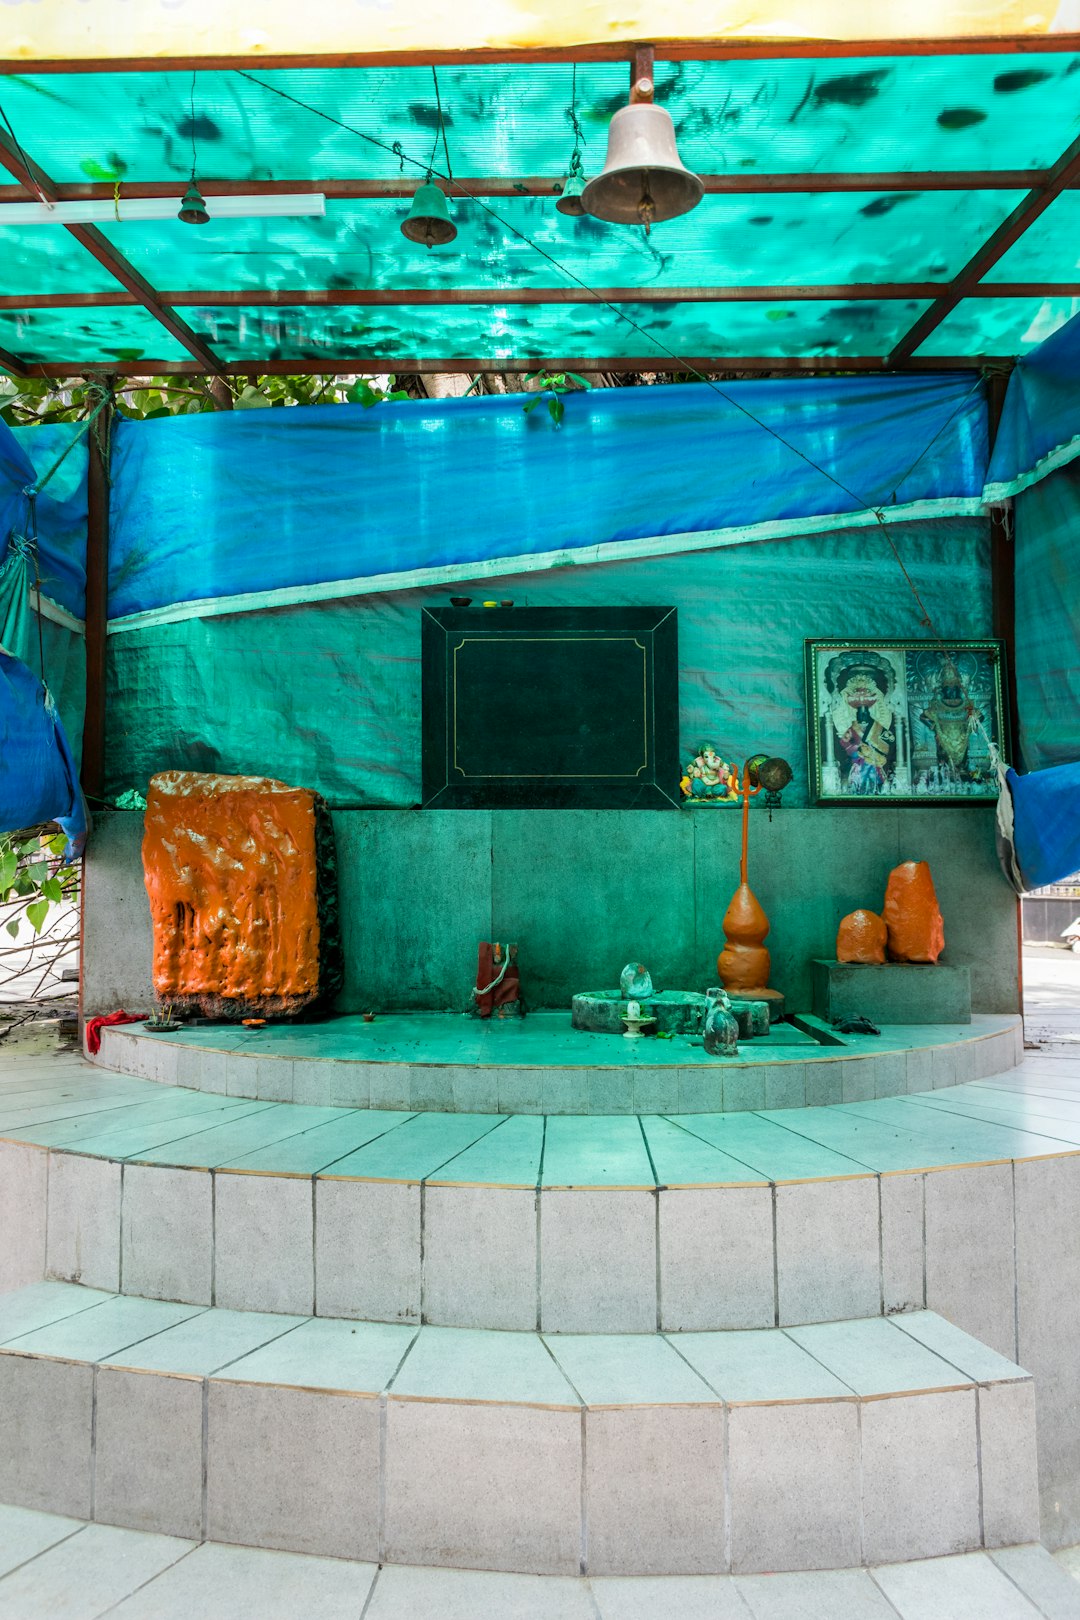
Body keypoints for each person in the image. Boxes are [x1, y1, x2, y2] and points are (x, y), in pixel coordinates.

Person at [822, 650, 898, 796]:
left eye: (865, 712)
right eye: (860, 712)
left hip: (875, 763)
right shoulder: (852, 728)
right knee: (858, 778)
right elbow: (844, 743)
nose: (863, 714)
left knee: (875, 779)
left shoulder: (877, 726)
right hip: (857, 763)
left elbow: (889, 741)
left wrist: (874, 751)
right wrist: (859, 751)